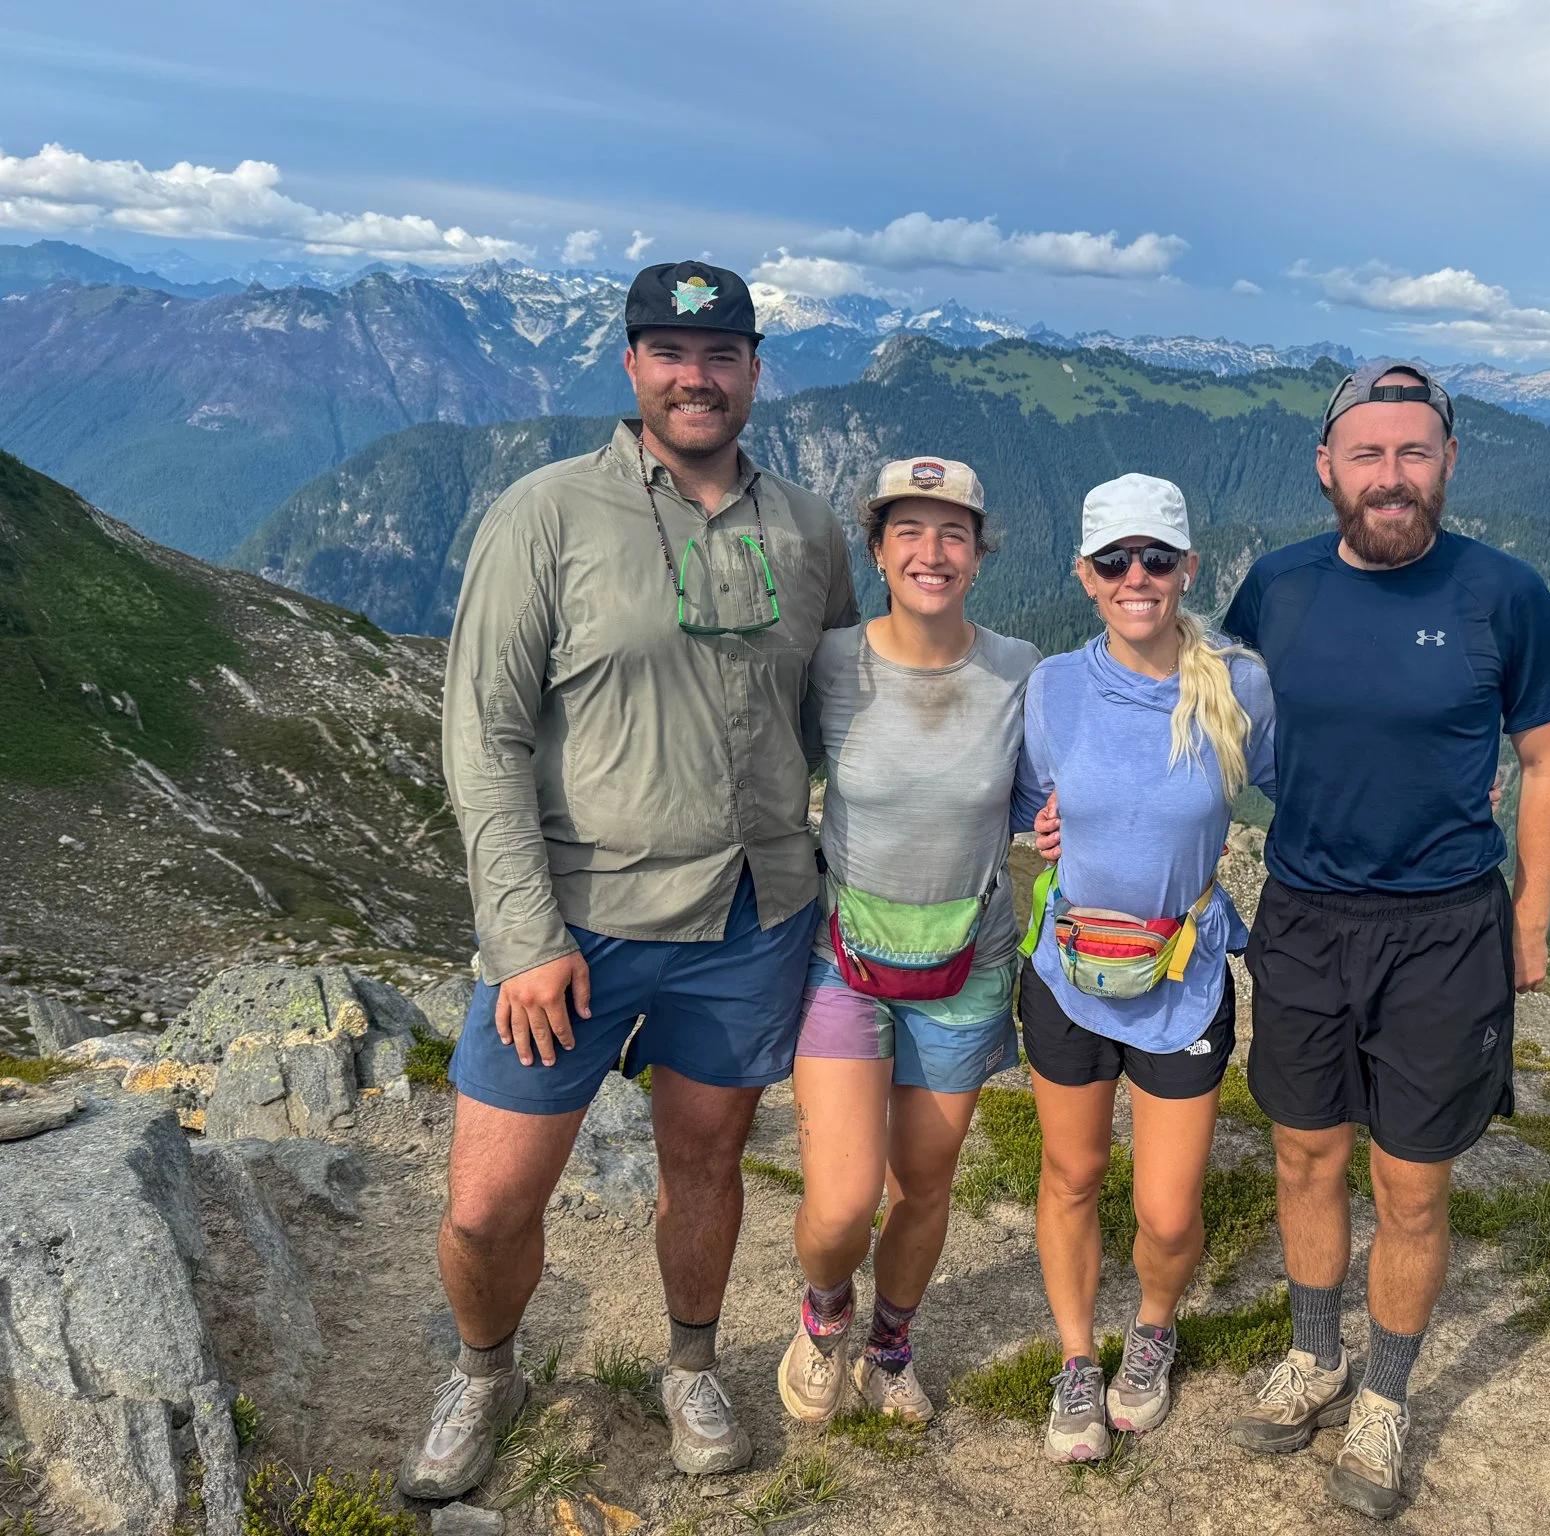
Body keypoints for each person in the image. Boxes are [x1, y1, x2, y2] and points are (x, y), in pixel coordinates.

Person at [407, 261, 859, 1499]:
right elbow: (482, 732)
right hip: (574, 925)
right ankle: (487, 1368)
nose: (694, 375)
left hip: (752, 916)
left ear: (756, 370)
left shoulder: (810, 533)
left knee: (705, 1164)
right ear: (630, 365)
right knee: (488, 1208)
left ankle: (690, 1364)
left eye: (719, 355)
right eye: (669, 351)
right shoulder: (545, 514)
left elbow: (844, 710)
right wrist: (520, 934)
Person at [1215, 364, 1550, 1518]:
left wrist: (1530, 917)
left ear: (1447, 463)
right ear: (1326, 468)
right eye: (1366, 455)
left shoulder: (1503, 593)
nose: (1389, 477)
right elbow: (1199, 713)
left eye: (1411, 453)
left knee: (1411, 1184)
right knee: (1302, 1153)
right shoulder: (1273, 588)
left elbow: (1546, 760)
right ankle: (1315, 1354)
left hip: (1442, 927)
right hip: (1307, 914)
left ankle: (1384, 1393)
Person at [1011, 473, 1277, 1463]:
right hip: (1070, 972)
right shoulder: (1052, 686)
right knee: (1072, 1173)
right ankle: (1077, 1360)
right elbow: (1020, 798)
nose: (1136, 577)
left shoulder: (1238, 686)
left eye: (1155, 559)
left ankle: (1153, 1327)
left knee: (1167, 1212)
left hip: (1182, 977)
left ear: (1186, 570)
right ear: (1084, 576)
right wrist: (1030, 828)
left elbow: (1299, 783)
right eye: (1114, 561)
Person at [778, 457, 1040, 1425]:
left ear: (977, 553)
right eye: (909, 532)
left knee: (924, 1186)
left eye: (952, 533)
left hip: (967, 960)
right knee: (844, 1201)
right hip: (844, 953)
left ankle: (889, 1346)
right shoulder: (831, 661)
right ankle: (823, 1314)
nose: (931, 552)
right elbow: (760, 757)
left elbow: (1058, 780)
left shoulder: (1018, 673)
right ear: (878, 549)